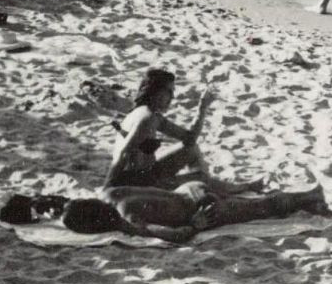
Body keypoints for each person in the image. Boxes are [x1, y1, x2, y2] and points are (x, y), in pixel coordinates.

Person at [0, 182, 328, 244]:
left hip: (200, 206)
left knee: (263, 208)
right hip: (190, 189)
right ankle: (307, 198)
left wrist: (195, 226)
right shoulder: (109, 193)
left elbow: (176, 235)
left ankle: (311, 195)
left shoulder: (127, 221)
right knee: (256, 203)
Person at [104, 69, 254, 195]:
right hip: (138, 184)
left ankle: (204, 191)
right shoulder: (147, 118)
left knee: (190, 149)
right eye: (169, 92)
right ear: (154, 91)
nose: (172, 97)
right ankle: (241, 188)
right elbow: (123, 154)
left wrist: (202, 108)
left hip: (144, 174)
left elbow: (190, 139)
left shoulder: (148, 114)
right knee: (201, 177)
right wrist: (107, 189)